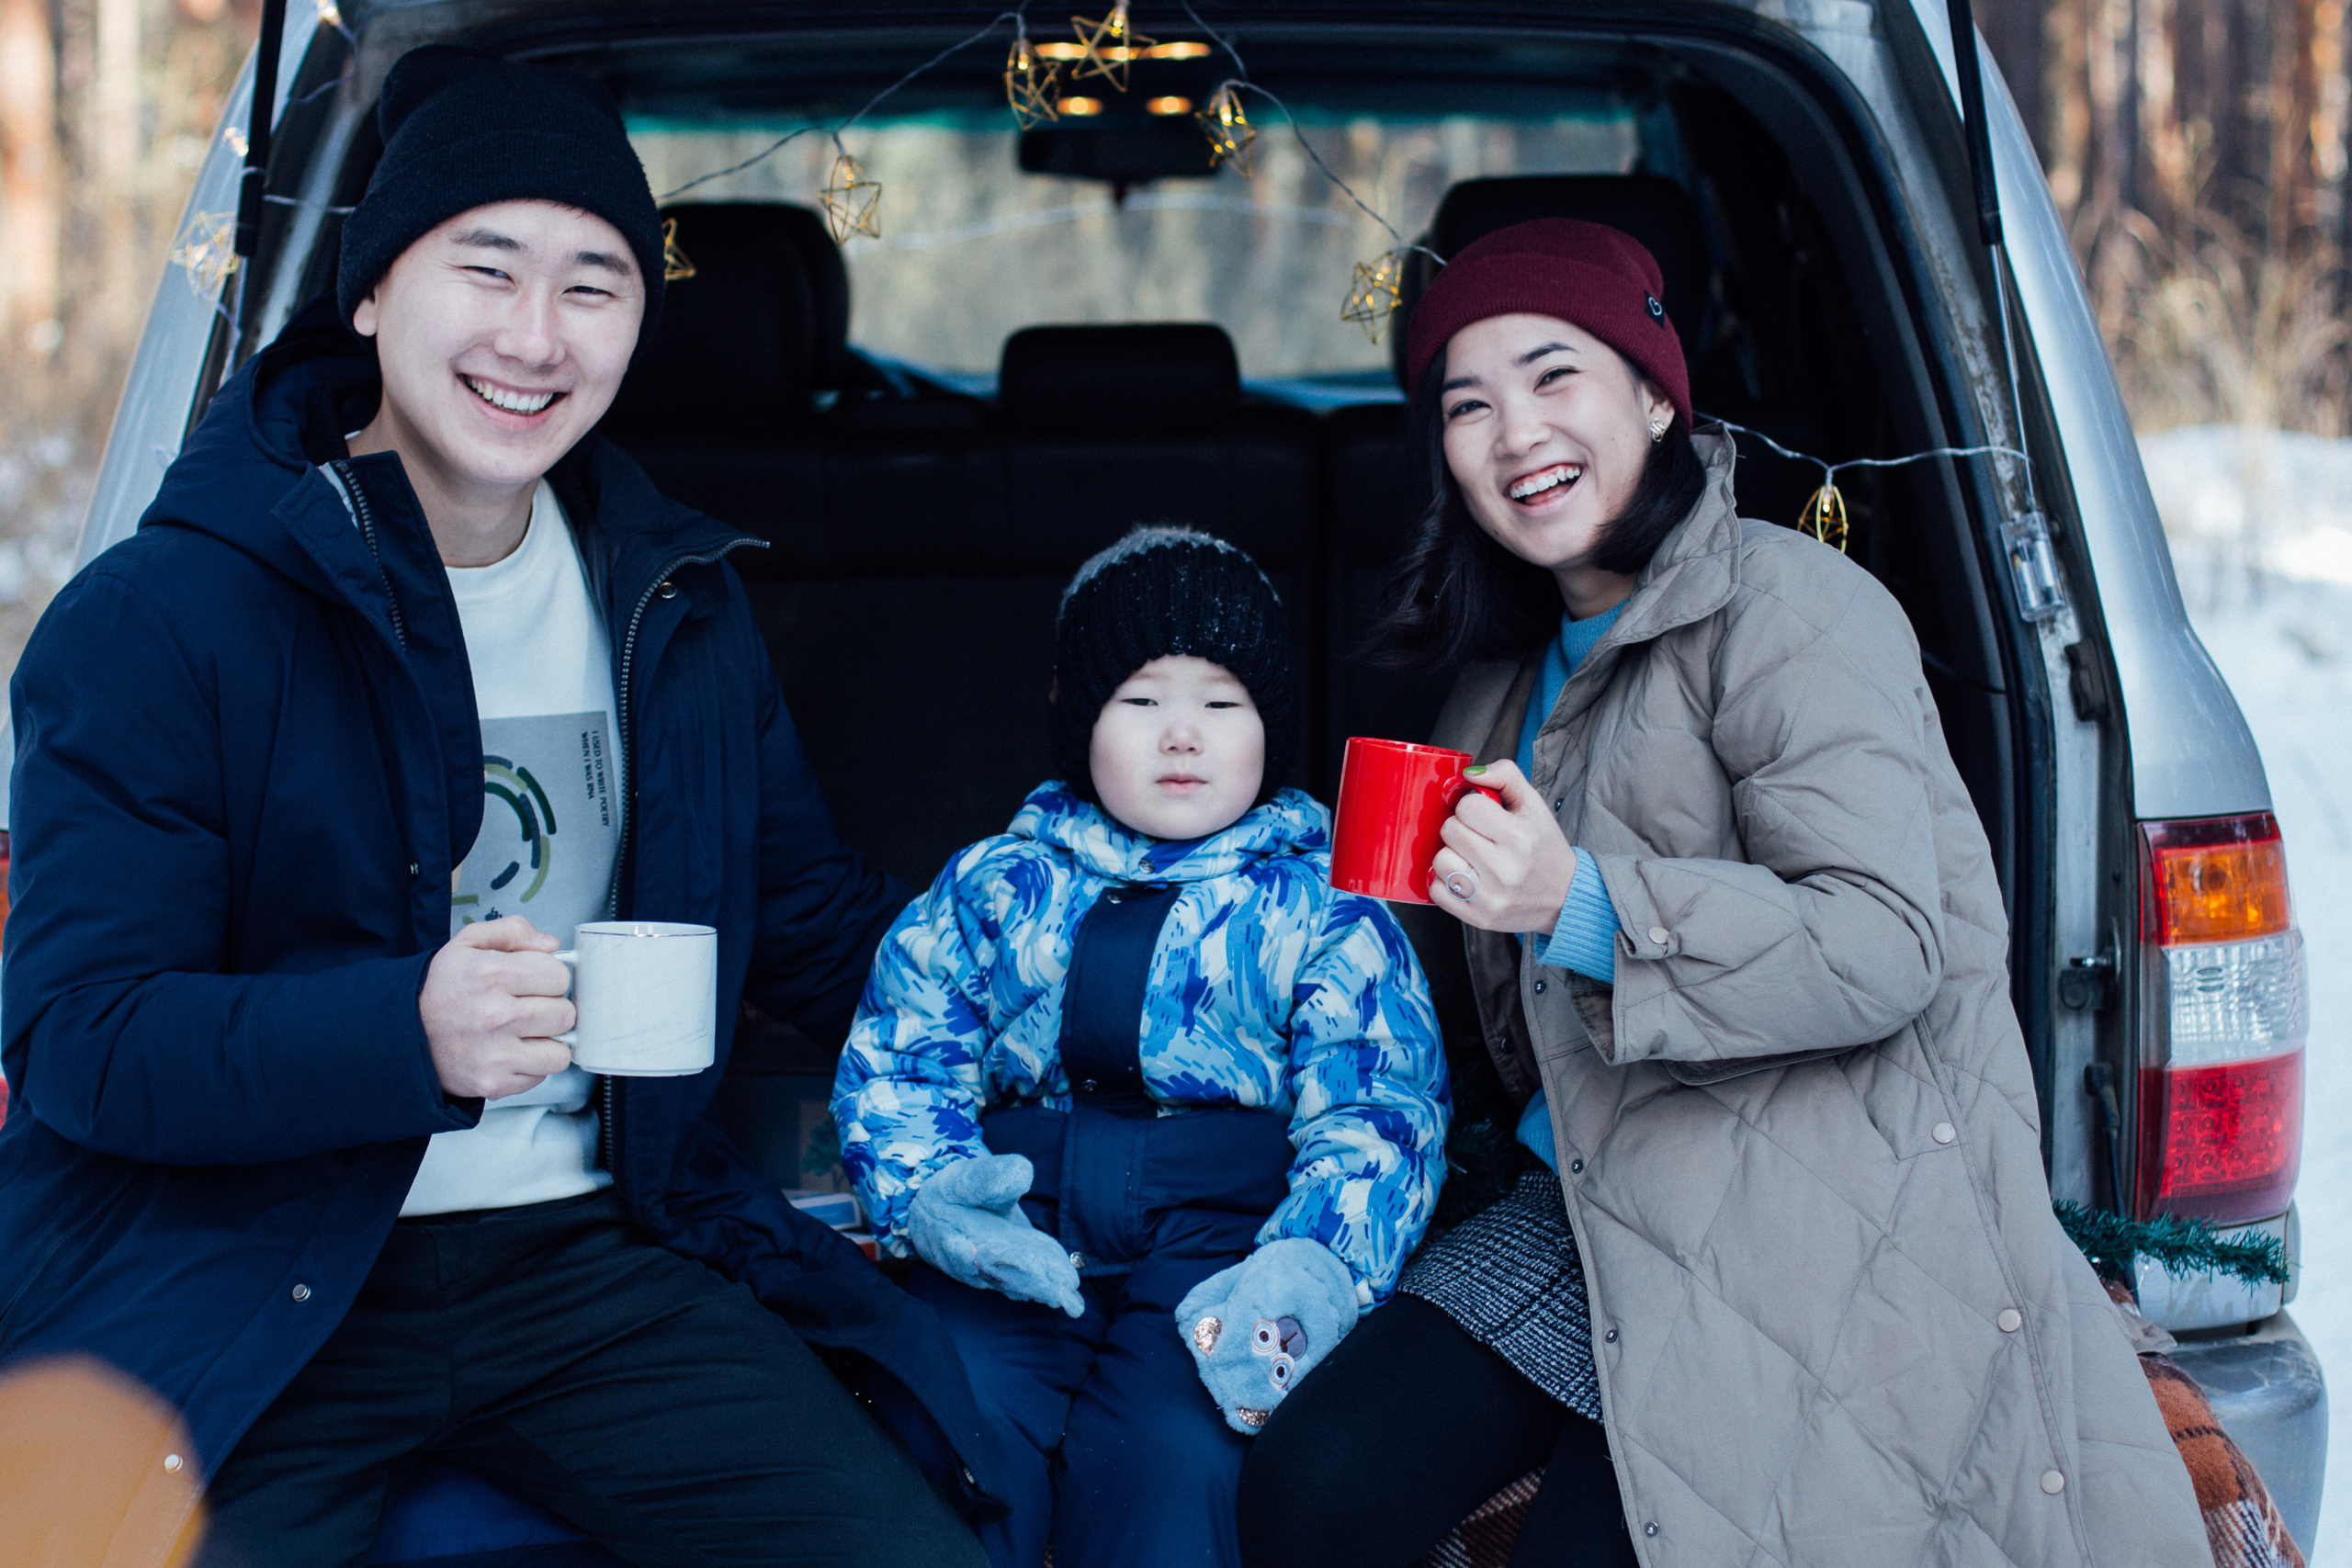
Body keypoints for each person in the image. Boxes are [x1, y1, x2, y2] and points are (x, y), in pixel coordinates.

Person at [0, 45, 1001, 1567]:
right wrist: (403, 1033)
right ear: (374, 291)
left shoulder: (674, 597)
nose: (536, 337)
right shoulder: (162, 619)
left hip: (592, 1259)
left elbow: (806, 924)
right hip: (260, 1268)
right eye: (489, 267)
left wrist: (1073, 981)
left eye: (593, 283)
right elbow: (84, 1041)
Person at [1235, 219, 2207, 1568]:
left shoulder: (1794, 608)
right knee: (1311, 1486)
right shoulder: (1493, 687)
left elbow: (1887, 939)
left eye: (1553, 373)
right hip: (1575, 1194)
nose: (1515, 432)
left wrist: (1582, 900)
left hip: (1797, 1203)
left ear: (1652, 391)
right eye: (1468, 403)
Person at [832, 526, 1451, 1568]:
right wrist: (929, 1194)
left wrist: (1315, 1263)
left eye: (1220, 704)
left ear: (1269, 730)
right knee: (950, 1421)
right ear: (1078, 727)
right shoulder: (996, 883)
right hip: (1018, 1223)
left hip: (1227, 1238)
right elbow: (902, 1055)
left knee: (1176, 1455)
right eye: (1140, 701)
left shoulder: (1322, 906)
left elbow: (1379, 1110)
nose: (1182, 736)